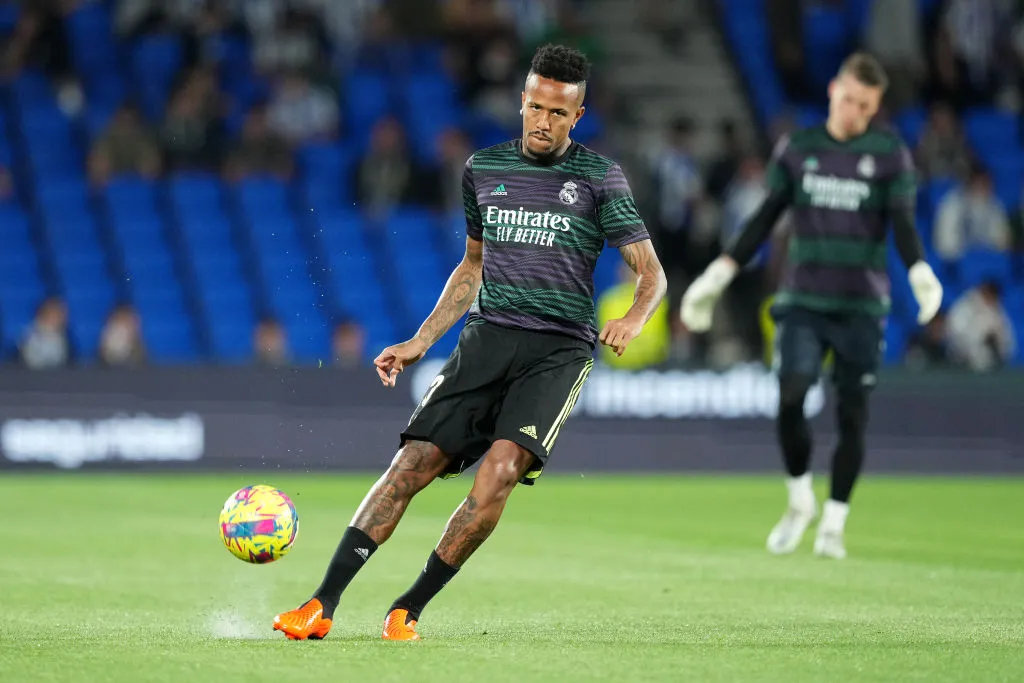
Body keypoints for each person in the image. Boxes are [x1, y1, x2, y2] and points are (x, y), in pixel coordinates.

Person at [273, 44, 667, 641]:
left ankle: (409, 607)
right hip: (486, 340)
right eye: (535, 107)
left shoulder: (598, 177)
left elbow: (651, 272)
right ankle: (321, 604)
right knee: (410, 465)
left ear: (577, 115)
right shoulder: (485, 168)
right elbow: (471, 267)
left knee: (500, 474)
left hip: (556, 353)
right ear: (522, 102)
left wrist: (636, 317)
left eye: (558, 113)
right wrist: (419, 341)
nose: (543, 121)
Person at [679, 53, 943, 560]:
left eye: (865, 106)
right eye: (848, 100)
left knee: (852, 415)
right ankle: (800, 497)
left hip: (862, 306)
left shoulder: (889, 153)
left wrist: (920, 270)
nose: (853, 112)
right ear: (832, 90)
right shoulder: (799, 149)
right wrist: (718, 274)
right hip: (802, 300)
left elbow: (904, 224)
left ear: (876, 106)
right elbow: (763, 217)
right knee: (791, 396)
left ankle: (834, 523)